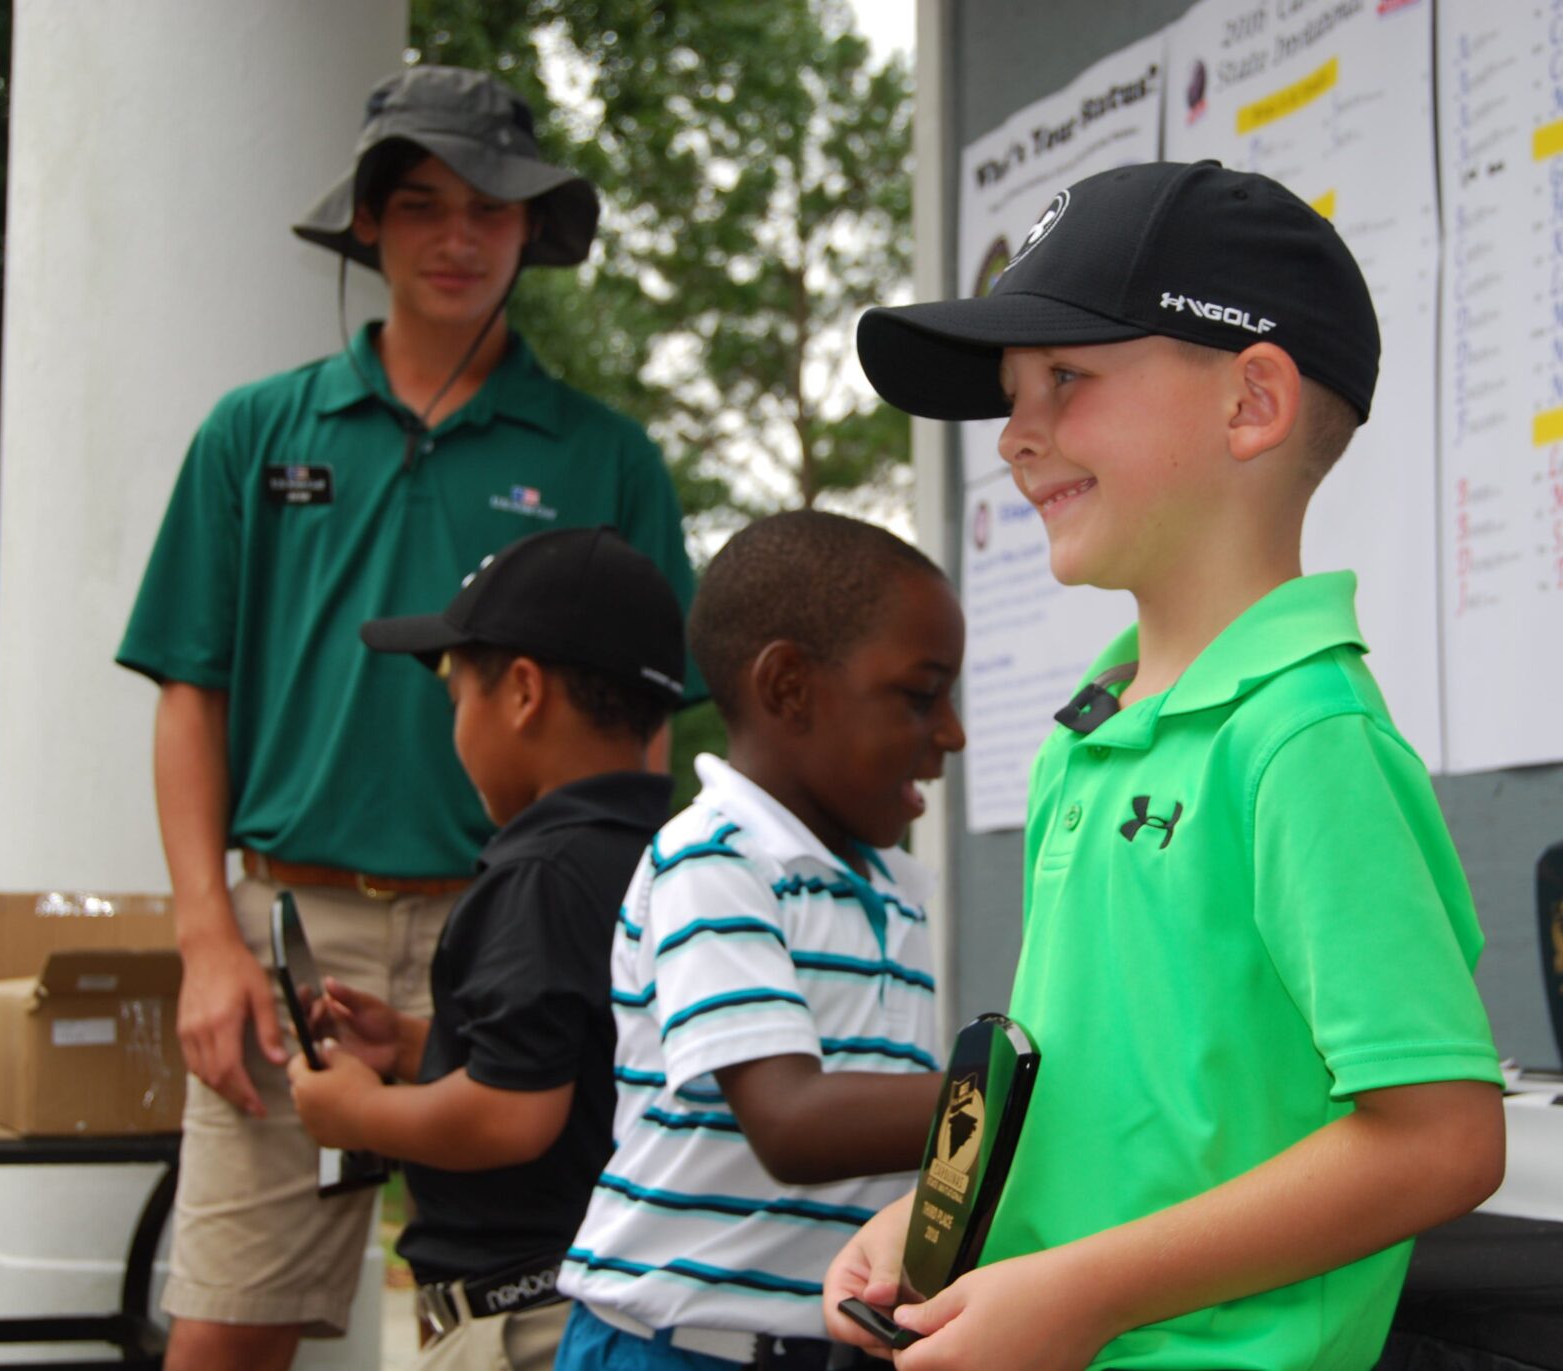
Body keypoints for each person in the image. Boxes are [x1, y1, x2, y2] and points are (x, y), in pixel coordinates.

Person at [828, 160, 1506, 1371]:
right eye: (1010, 394)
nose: (1015, 438)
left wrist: (1084, 1293)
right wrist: (929, 1228)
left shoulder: (1300, 739)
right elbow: (1069, 1091)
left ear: (1252, 403)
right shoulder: (1087, 733)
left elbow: (1440, 1139)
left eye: (1066, 380)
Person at [115, 66, 697, 1371]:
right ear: (367, 223)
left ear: (531, 234)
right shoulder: (253, 434)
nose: (457, 236)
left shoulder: (608, 458)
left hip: (530, 928)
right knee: (226, 1321)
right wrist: (206, 935)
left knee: (542, 1311)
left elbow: (649, 726)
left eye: (491, 209)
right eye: (422, 202)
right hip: (292, 932)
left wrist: (617, 916)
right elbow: (187, 690)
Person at [554, 510, 967, 1371]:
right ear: (788, 689)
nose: (954, 732)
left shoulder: (895, 889)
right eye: (922, 694)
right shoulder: (710, 862)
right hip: (675, 1350)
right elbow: (791, 1121)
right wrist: (1025, 1100)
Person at [284, 526, 683, 1370]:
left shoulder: (537, 872)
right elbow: (578, 1066)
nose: (452, 713)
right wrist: (412, 1046)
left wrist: (354, 1111)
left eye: (455, 687)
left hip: (522, 1323)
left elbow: (512, 1113)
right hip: (620, 1299)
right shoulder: (675, 853)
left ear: (524, 692)